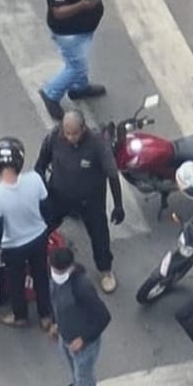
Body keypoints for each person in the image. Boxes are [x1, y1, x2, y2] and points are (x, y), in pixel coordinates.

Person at [35, 111, 125, 293]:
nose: (69, 137)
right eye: (66, 133)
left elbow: (112, 175)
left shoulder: (98, 144)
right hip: (59, 195)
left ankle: (105, 270)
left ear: (83, 129)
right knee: (40, 228)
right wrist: (42, 191)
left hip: (89, 201)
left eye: (74, 133)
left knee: (99, 234)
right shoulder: (54, 136)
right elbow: (40, 165)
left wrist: (118, 205)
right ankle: (37, 261)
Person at [0, 136, 54, 330]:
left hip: (13, 246)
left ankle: (20, 316)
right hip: (38, 238)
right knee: (41, 276)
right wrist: (45, 229)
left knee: (15, 282)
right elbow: (46, 207)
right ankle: (46, 315)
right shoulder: (35, 180)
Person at [48, 246, 112, 386]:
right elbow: (56, 302)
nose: (56, 274)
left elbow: (104, 317)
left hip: (84, 345)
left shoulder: (82, 287)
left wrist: (83, 339)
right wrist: (55, 323)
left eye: (59, 271)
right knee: (74, 375)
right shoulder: (55, 279)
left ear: (69, 267)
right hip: (65, 337)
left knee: (86, 382)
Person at [38, 0, 106, 120]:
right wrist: (83, 5)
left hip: (84, 28)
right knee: (77, 67)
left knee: (81, 59)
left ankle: (79, 87)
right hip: (70, 33)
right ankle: (51, 93)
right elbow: (58, 12)